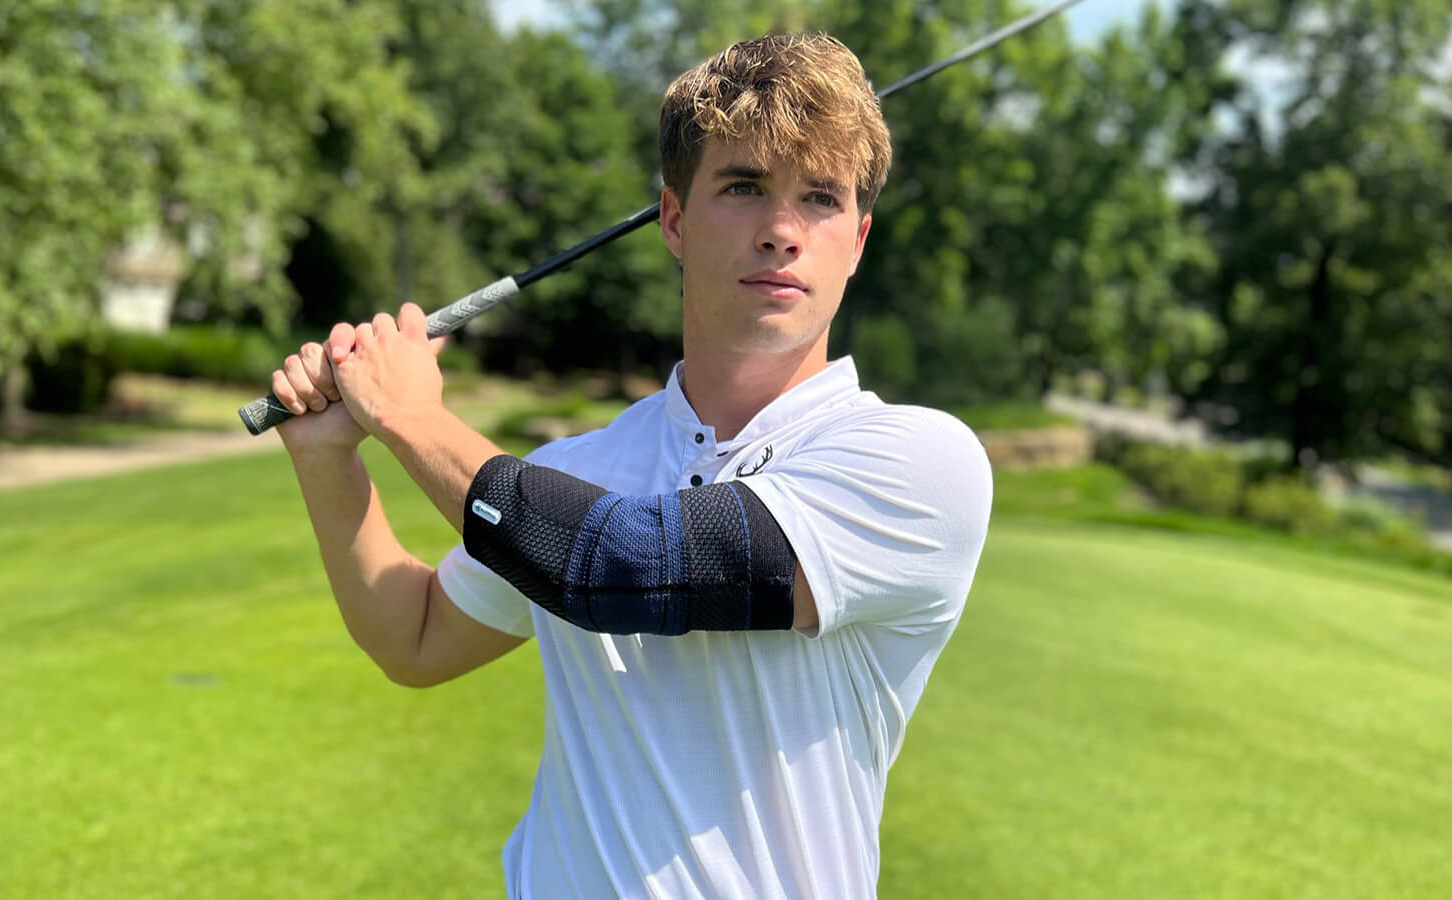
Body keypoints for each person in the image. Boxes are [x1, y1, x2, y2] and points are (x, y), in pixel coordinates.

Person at [268, 32, 992, 899]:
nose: (783, 231)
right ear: (675, 222)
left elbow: (624, 567)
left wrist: (415, 420)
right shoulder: (580, 468)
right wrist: (328, 458)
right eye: (744, 186)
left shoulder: (922, 462)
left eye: (821, 198)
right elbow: (417, 638)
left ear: (859, 239)